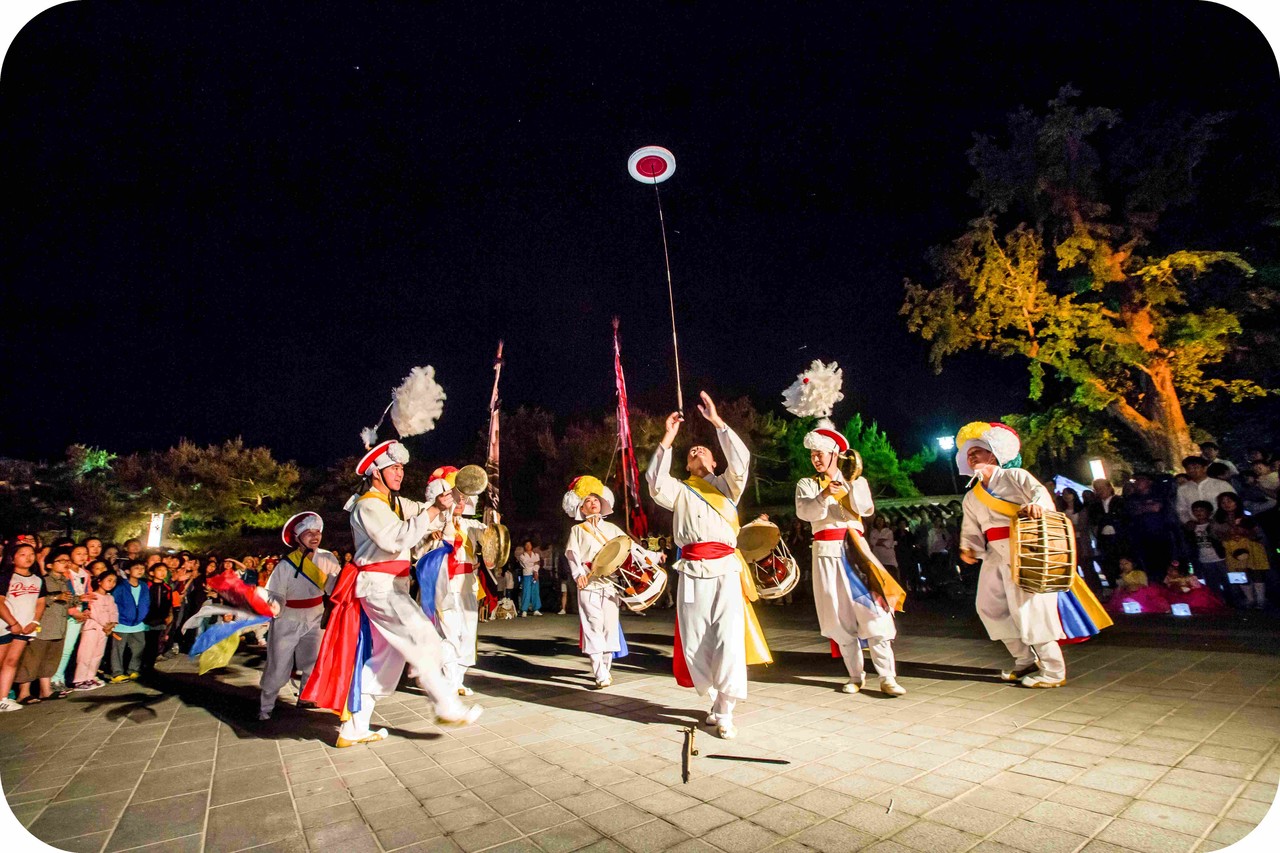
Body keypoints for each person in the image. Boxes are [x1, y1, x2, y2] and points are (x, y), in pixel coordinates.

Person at [303, 440, 480, 747]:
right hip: (378, 587)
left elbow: (425, 513)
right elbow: (396, 538)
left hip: (391, 586)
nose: (400, 473)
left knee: (385, 662)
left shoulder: (395, 503)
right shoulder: (368, 505)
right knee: (425, 638)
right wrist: (435, 509)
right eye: (394, 467)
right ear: (376, 472)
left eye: (401, 468)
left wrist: (451, 500)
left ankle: (354, 729)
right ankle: (446, 706)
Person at [646, 392, 771, 740]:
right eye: (691, 452)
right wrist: (668, 437)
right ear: (686, 467)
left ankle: (726, 711)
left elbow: (742, 462)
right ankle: (715, 697)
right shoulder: (680, 491)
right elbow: (655, 483)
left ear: (715, 462)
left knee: (729, 639)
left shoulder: (729, 488)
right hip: (691, 571)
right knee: (695, 641)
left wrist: (717, 422)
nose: (697, 451)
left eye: (704, 450)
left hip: (726, 571)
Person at [956, 421, 1110, 689]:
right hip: (994, 555)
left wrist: (1036, 506)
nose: (972, 457)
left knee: (1030, 609)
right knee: (988, 607)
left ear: (992, 454)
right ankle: (1025, 660)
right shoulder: (971, 496)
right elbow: (971, 529)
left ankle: (1053, 670)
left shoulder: (1016, 476)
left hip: (1026, 548)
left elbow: (1040, 495)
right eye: (968, 454)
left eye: (977, 451)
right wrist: (968, 547)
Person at [795, 421, 906, 696]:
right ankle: (856, 675)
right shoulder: (807, 484)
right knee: (837, 615)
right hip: (824, 553)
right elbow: (805, 513)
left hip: (854, 550)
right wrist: (824, 494)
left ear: (835, 454)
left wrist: (848, 484)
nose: (815, 459)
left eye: (820, 453)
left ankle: (887, 677)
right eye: (812, 455)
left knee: (874, 611)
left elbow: (865, 509)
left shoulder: (857, 481)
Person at [563, 476, 661, 688]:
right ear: (581, 507)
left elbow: (632, 548)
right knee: (593, 624)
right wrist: (578, 574)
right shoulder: (577, 530)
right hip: (589, 583)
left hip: (611, 584)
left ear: (602, 502)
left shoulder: (613, 528)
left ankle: (606, 669)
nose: (593, 503)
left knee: (609, 627)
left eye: (595, 499)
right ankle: (599, 672)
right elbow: (572, 554)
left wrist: (653, 557)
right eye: (587, 500)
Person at [258, 512, 342, 720]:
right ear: (298, 537)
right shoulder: (286, 564)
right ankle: (266, 706)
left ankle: (306, 696)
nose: (315, 536)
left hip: (316, 615)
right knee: (279, 663)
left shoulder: (327, 558)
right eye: (308, 533)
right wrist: (275, 604)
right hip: (288, 617)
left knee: (313, 659)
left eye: (317, 532)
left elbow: (335, 587)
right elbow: (275, 592)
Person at [420, 466, 489, 697]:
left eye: (464, 497)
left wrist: (495, 526)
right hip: (443, 585)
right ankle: (446, 682)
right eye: (456, 495)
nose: (461, 501)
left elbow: (492, 541)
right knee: (449, 633)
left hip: (467, 586)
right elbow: (416, 552)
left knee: (467, 634)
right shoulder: (433, 522)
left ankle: (457, 679)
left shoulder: (471, 526)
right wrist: (431, 539)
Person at [15, 547, 78, 703]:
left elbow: (68, 601)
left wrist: (80, 599)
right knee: (32, 660)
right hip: (43, 626)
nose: (66, 563)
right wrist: (56, 597)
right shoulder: (43, 580)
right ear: (49, 565)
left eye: (67, 561)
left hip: (59, 626)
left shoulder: (64, 581)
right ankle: (24, 693)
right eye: (61, 561)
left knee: (51, 659)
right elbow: (39, 600)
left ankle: (46, 690)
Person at [0, 543, 46, 711]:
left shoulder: (38, 579)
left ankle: (3, 699)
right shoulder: (6, 577)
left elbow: (40, 603)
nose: (28, 558)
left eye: (31, 554)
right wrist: (13, 623)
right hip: (5, 625)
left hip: (25, 627)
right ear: (12, 558)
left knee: (12, 661)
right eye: (23, 554)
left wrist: (34, 622)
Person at [73, 571, 118, 690]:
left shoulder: (110, 597)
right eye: (109, 580)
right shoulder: (92, 595)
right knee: (86, 654)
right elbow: (94, 613)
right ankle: (79, 679)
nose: (111, 584)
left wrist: (112, 624)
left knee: (98, 654)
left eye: (114, 581)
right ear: (99, 581)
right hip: (92, 628)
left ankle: (90, 677)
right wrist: (106, 625)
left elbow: (114, 612)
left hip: (104, 630)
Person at [109, 560, 151, 681]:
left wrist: (143, 615)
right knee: (118, 649)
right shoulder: (121, 586)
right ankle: (117, 673)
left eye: (142, 568)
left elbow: (146, 602)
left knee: (138, 648)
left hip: (138, 623)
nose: (140, 570)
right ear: (127, 571)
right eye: (136, 568)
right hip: (121, 624)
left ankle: (133, 670)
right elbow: (114, 603)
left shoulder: (144, 586)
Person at [1176, 456, 1235, 526]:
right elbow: (1181, 509)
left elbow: (1235, 503)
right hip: (1196, 526)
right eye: (1188, 468)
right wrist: (1188, 521)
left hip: (1222, 524)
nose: (1191, 471)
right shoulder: (1183, 489)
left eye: (1195, 467)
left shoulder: (1221, 484)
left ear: (1205, 468)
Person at [516, 540, 543, 616]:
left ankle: (536, 609)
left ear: (531, 546)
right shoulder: (522, 556)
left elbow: (538, 563)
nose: (528, 546)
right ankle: (524, 610)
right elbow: (526, 564)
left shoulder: (536, 555)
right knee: (526, 591)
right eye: (526, 545)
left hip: (535, 574)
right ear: (524, 546)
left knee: (535, 591)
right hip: (527, 575)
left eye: (529, 545)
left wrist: (535, 571)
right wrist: (534, 562)